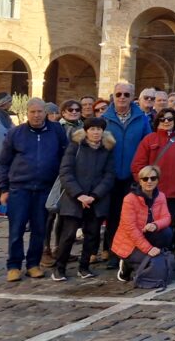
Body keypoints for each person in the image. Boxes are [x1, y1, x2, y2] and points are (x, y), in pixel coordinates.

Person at [0, 98, 69, 282]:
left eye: (39, 112)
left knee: (39, 229)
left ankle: (33, 264)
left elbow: (65, 157)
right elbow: (4, 162)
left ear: (45, 113)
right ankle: (13, 265)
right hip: (20, 188)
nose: (36, 115)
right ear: (27, 113)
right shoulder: (16, 133)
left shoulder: (57, 132)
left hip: (45, 189)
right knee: (17, 229)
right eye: (33, 112)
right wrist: (3, 189)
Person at [52, 117, 115, 281]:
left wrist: (94, 195)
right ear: (86, 130)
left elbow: (109, 175)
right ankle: (60, 268)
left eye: (99, 129)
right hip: (74, 198)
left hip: (96, 199)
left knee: (92, 234)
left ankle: (84, 266)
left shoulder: (107, 148)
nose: (96, 132)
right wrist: (79, 194)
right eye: (92, 129)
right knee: (68, 235)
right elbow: (65, 172)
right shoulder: (76, 146)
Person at [101, 83, 152, 269]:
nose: (122, 97)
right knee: (113, 215)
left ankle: (130, 252)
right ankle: (113, 253)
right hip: (110, 175)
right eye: (118, 94)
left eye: (126, 94)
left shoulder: (141, 119)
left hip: (133, 176)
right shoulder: (105, 118)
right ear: (113, 96)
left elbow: (147, 145)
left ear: (132, 97)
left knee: (132, 217)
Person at [131, 108, 175, 233]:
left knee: (170, 224)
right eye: (162, 119)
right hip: (152, 192)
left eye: (169, 119)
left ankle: (166, 250)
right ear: (157, 121)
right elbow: (137, 165)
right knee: (150, 225)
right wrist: (143, 184)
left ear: (174, 121)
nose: (166, 121)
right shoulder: (149, 139)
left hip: (174, 192)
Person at [112, 165, 173, 283]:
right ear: (140, 181)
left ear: (157, 180)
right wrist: (148, 249)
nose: (149, 181)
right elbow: (130, 229)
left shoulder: (161, 196)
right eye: (145, 179)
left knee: (167, 232)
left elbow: (167, 218)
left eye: (153, 178)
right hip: (130, 242)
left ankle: (156, 258)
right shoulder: (129, 199)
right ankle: (126, 264)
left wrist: (155, 225)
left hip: (148, 236)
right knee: (148, 263)